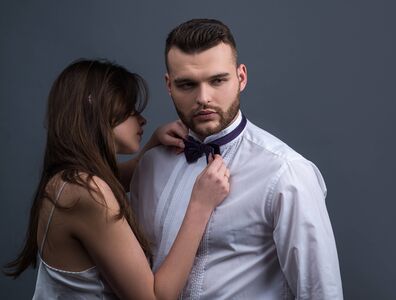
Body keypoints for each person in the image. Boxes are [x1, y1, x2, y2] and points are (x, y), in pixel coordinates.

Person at [130, 19, 343, 299]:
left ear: (241, 77)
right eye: (187, 85)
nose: (203, 98)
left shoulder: (286, 172)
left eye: (217, 80)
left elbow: (320, 291)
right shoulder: (150, 166)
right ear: (169, 86)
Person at [4, 59, 231, 300]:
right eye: (130, 110)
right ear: (100, 112)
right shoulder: (88, 193)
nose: (141, 120)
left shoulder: (65, 180)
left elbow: (116, 179)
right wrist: (200, 206)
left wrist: (152, 143)